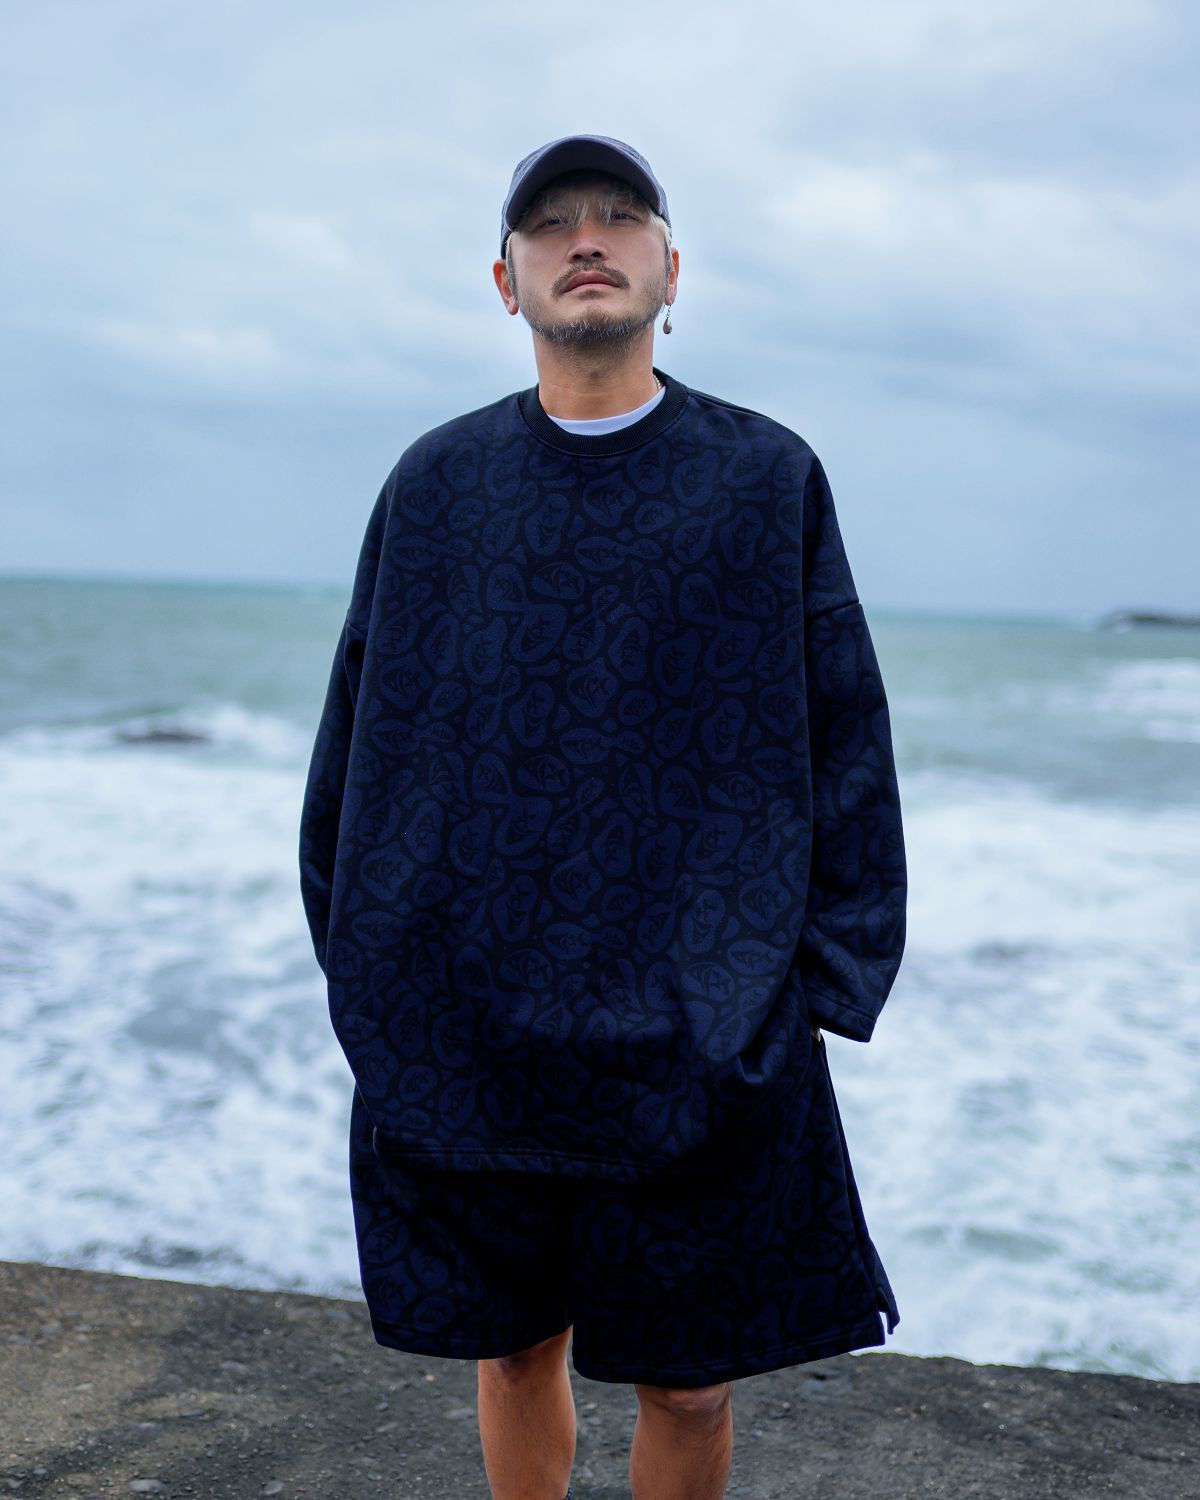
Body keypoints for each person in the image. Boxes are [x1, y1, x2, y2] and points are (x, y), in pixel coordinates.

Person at [299, 132, 907, 1500]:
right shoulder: (435, 485)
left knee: (690, 1382)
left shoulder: (764, 478)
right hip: (474, 1031)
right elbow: (359, 743)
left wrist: (821, 982)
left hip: (701, 1032)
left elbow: (845, 730)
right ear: (504, 281)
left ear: (670, 272)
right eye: (552, 223)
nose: (587, 239)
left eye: (621, 216)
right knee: (515, 1354)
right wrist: (368, 972)